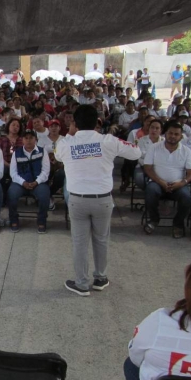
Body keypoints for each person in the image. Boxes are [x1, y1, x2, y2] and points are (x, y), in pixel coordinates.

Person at [55, 105, 141, 296]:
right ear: (97, 122)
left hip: (77, 200)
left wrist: (69, 135)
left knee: (79, 242)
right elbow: (136, 152)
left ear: (74, 123)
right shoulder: (107, 141)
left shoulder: (65, 143)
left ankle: (82, 283)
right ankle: (100, 278)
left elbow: (57, 155)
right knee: (101, 240)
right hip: (103, 199)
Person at [143, 120, 191, 239]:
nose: (173, 136)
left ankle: (178, 224)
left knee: (187, 197)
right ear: (165, 134)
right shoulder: (154, 148)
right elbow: (148, 168)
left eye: (176, 134)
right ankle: (154, 220)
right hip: (157, 182)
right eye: (170, 133)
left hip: (178, 184)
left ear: (181, 136)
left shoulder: (186, 151)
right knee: (150, 191)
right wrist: (160, 181)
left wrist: (182, 183)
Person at [8, 129, 51, 233]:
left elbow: (46, 171)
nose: (28, 140)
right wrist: (23, 182)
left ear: (35, 139)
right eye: (26, 138)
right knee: (11, 194)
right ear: (22, 140)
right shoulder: (16, 153)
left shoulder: (42, 151)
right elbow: (13, 173)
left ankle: (42, 221)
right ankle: (14, 220)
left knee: (44, 195)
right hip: (21, 183)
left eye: (31, 138)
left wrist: (37, 182)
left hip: (38, 183)